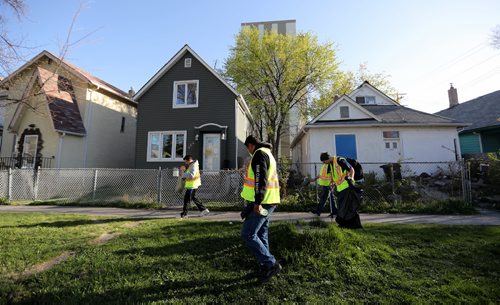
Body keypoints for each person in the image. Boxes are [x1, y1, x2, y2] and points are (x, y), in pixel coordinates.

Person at [240, 135, 282, 284]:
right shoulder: (268, 153)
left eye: (248, 149)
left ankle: (271, 264)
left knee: (248, 234)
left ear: (251, 145)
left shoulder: (259, 154)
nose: (249, 152)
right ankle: (265, 265)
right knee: (262, 233)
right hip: (270, 200)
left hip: (263, 203)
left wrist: (257, 202)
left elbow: (260, 178)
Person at [310, 152, 337, 217]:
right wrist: (315, 178)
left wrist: (331, 183)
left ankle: (318, 211)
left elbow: (333, 176)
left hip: (328, 184)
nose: (323, 162)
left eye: (324, 161)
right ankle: (335, 211)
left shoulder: (330, 165)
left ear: (326, 159)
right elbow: (321, 174)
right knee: (330, 198)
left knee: (324, 198)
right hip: (325, 184)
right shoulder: (324, 164)